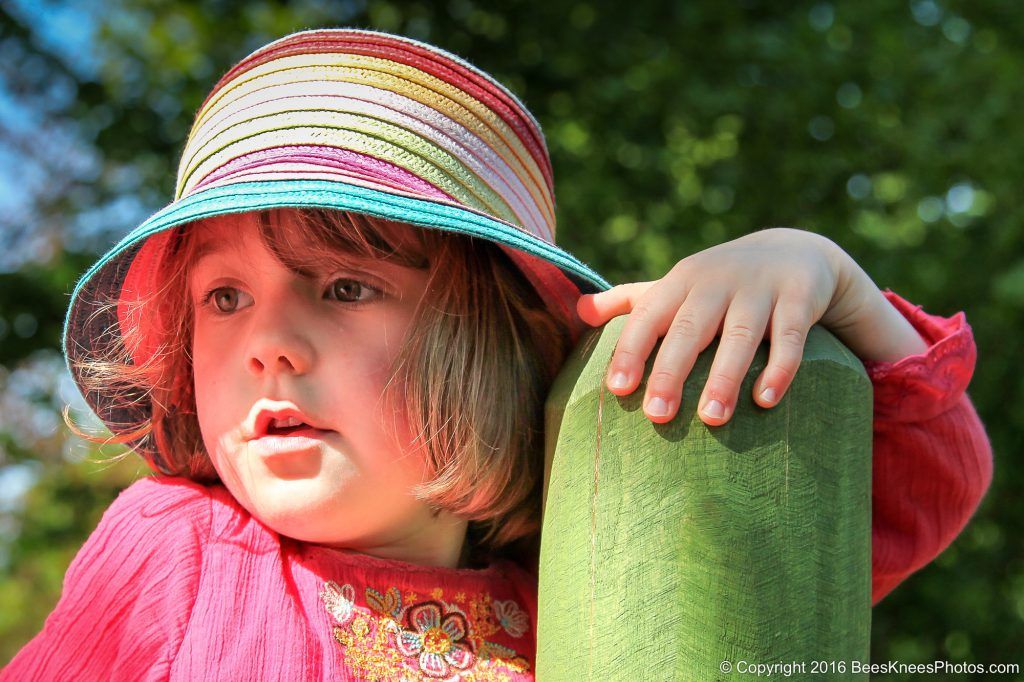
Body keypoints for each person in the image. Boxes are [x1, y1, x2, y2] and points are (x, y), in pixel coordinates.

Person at [1, 27, 991, 680]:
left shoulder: (598, 556)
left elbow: (910, 486)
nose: (266, 344)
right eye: (224, 297)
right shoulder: (179, 549)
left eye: (346, 284)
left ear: (496, 336)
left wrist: (819, 272)